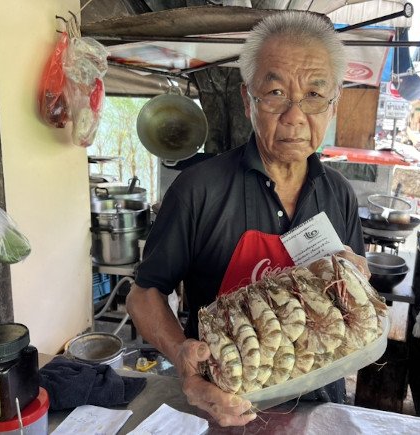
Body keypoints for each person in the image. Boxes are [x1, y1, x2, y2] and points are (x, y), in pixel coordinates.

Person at [125, 11, 371, 427]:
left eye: (314, 95)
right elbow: (142, 294)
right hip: (225, 405)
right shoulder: (197, 190)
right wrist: (183, 359)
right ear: (247, 100)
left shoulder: (339, 194)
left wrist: (358, 285)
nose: (295, 116)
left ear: (334, 104)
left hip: (319, 404)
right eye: (275, 92)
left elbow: (352, 296)